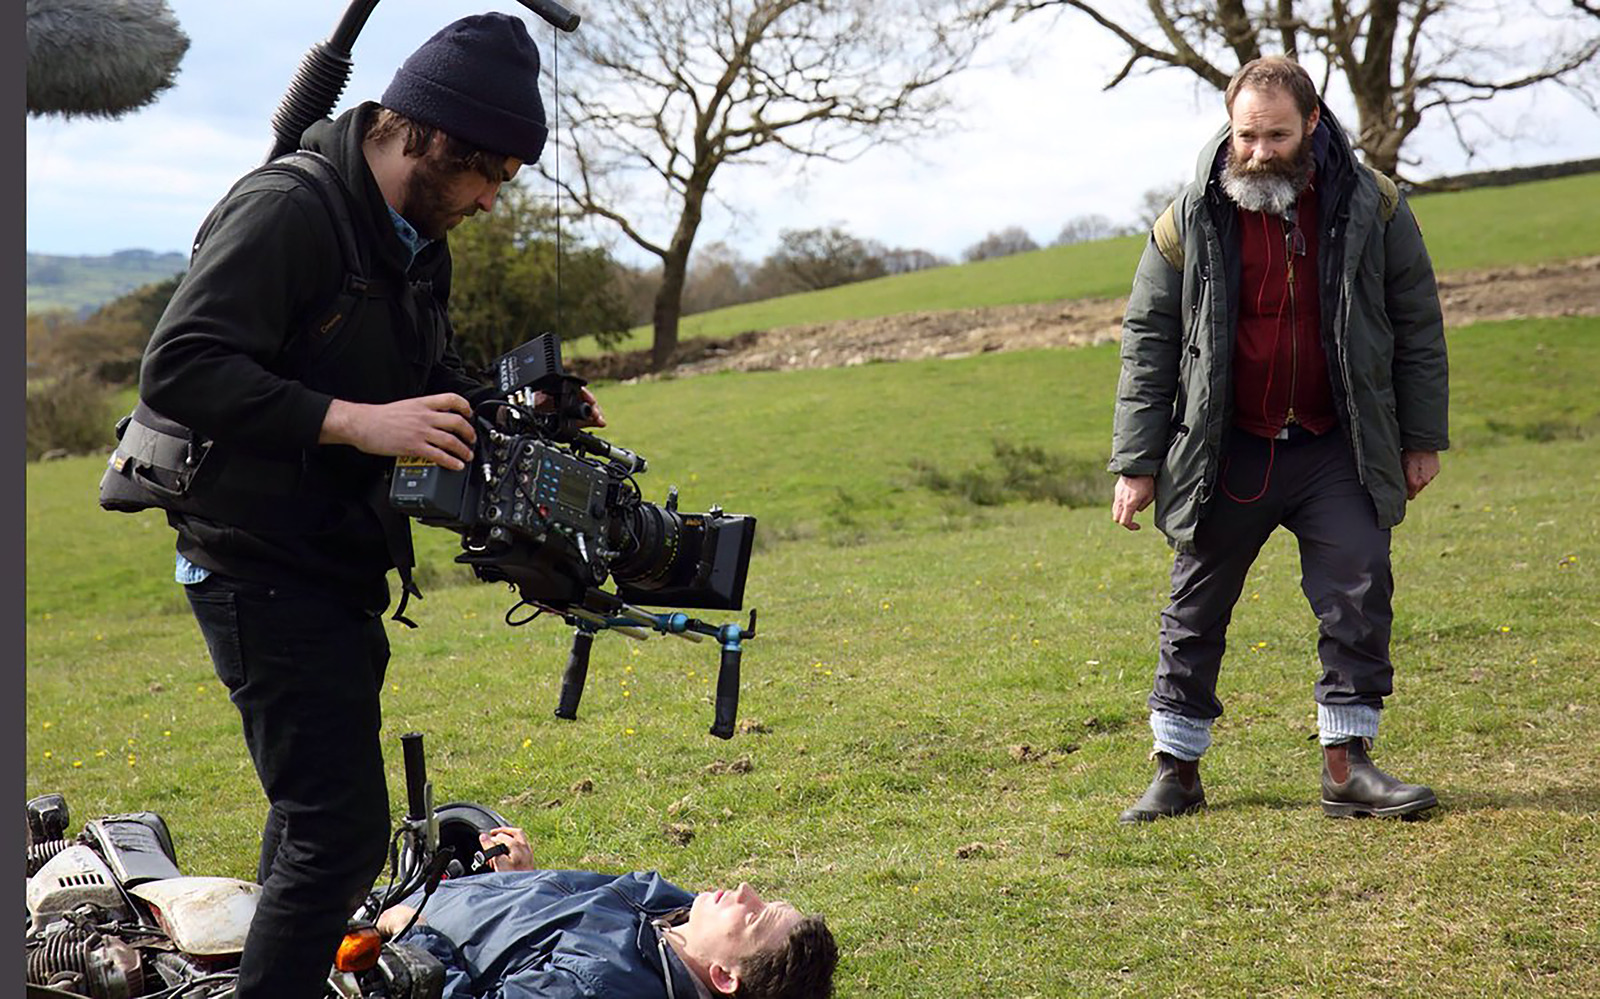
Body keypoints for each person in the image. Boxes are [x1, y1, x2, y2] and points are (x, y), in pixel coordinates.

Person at [137, 13, 600, 996]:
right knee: (337, 834)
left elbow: (429, 387)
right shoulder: (290, 209)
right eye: (489, 177)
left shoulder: (411, 241)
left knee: (313, 825)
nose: (487, 201)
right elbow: (178, 367)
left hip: (335, 566)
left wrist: (521, 410)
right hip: (255, 564)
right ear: (430, 137)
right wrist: (355, 421)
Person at [1107, 55, 1449, 823]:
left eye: (1277, 135)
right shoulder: (1187, 215)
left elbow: (1418, 324)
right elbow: (1149, 339)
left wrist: (1422, 436)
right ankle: (1177, 769)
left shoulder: (1377, 206)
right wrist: (1136, 462)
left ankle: (1346, 765)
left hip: (1338, 444)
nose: (1259, 152)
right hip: (1230, 450)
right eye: (1247, 135)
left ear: (1313, 125)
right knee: (1194, 608)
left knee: (1360, 587)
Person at [377, 827, 838, 999]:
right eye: (763, 898)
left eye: (753, 915)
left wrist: (414, 940)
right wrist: (520, 878)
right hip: (431, 896)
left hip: (376, 932)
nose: (744, 890)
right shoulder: (675, 915)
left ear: (723, 977)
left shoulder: (606, 985)